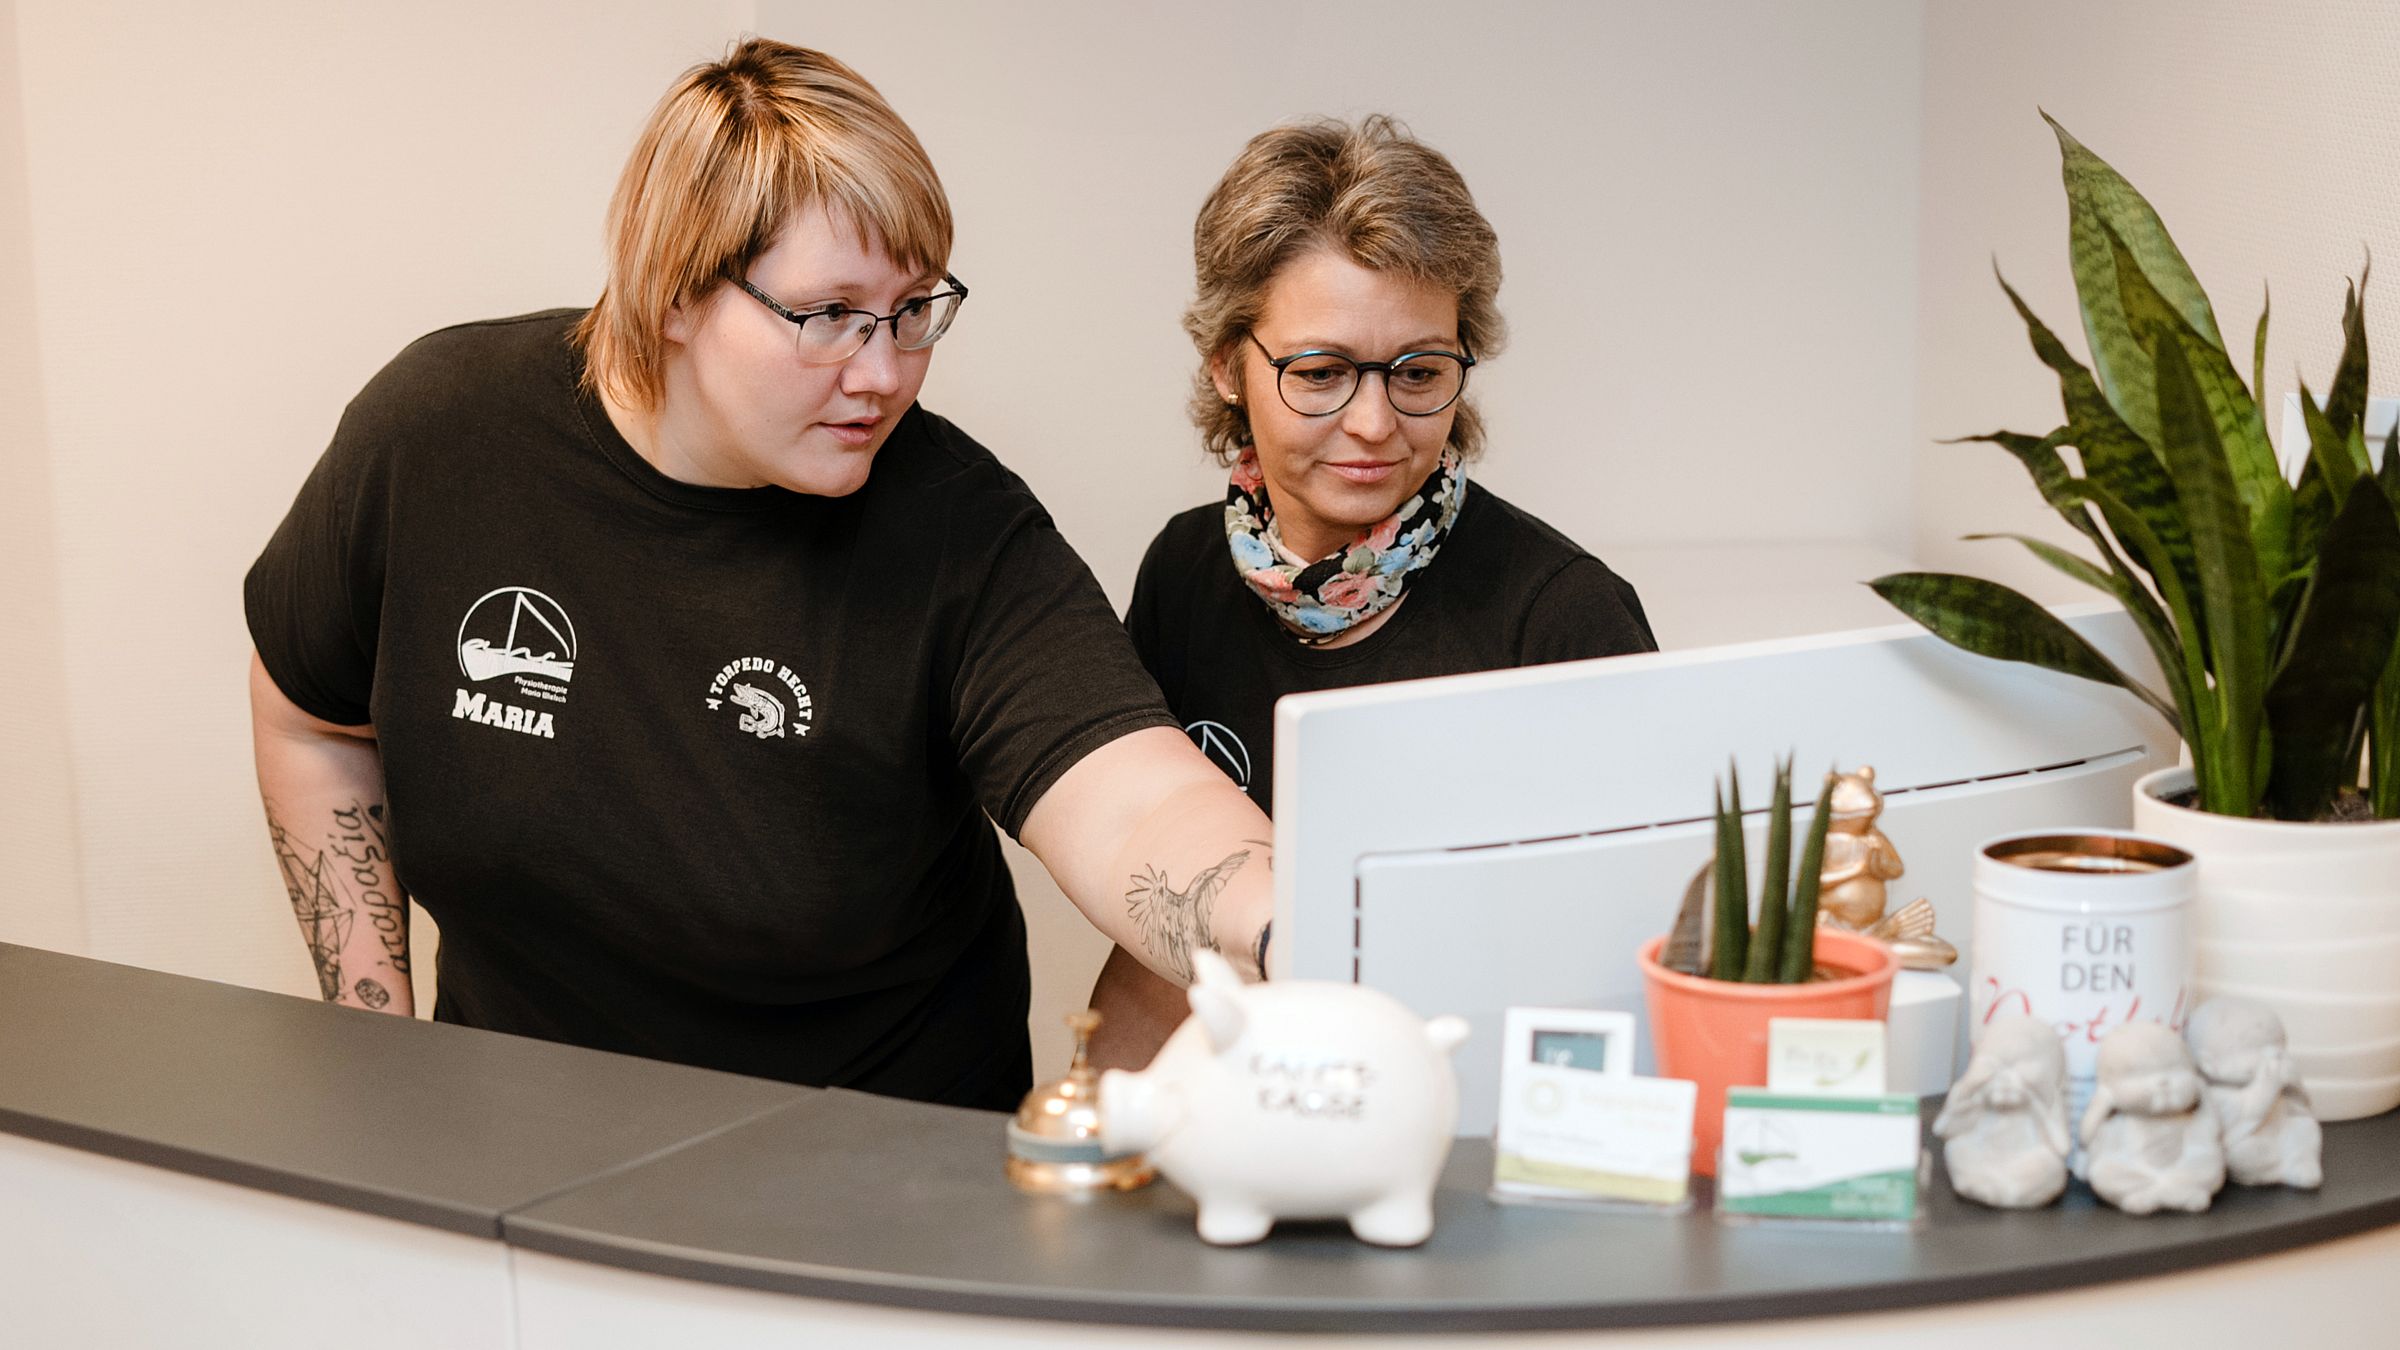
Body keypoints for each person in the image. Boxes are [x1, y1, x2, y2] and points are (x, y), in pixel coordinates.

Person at [245, 39, 1272, 1111]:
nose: (883, 375)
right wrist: (375, 1042)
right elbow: (313, 723)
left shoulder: (958, 527)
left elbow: (1133, 805)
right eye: (828, 316)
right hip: (522, 1144)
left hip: (867, 1170)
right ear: (674, 291)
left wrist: (1291, 920)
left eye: (914, 311)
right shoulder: (440, 438)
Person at [1088, 117, 1656, 1068]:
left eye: (1420, 372)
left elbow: (1615, 959)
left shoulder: (1562, 616)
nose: (1373, 423)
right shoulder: (1183, 570)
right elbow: (1160, 923)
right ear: (1228, 366)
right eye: (1319, 373)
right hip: (1231, 1093)